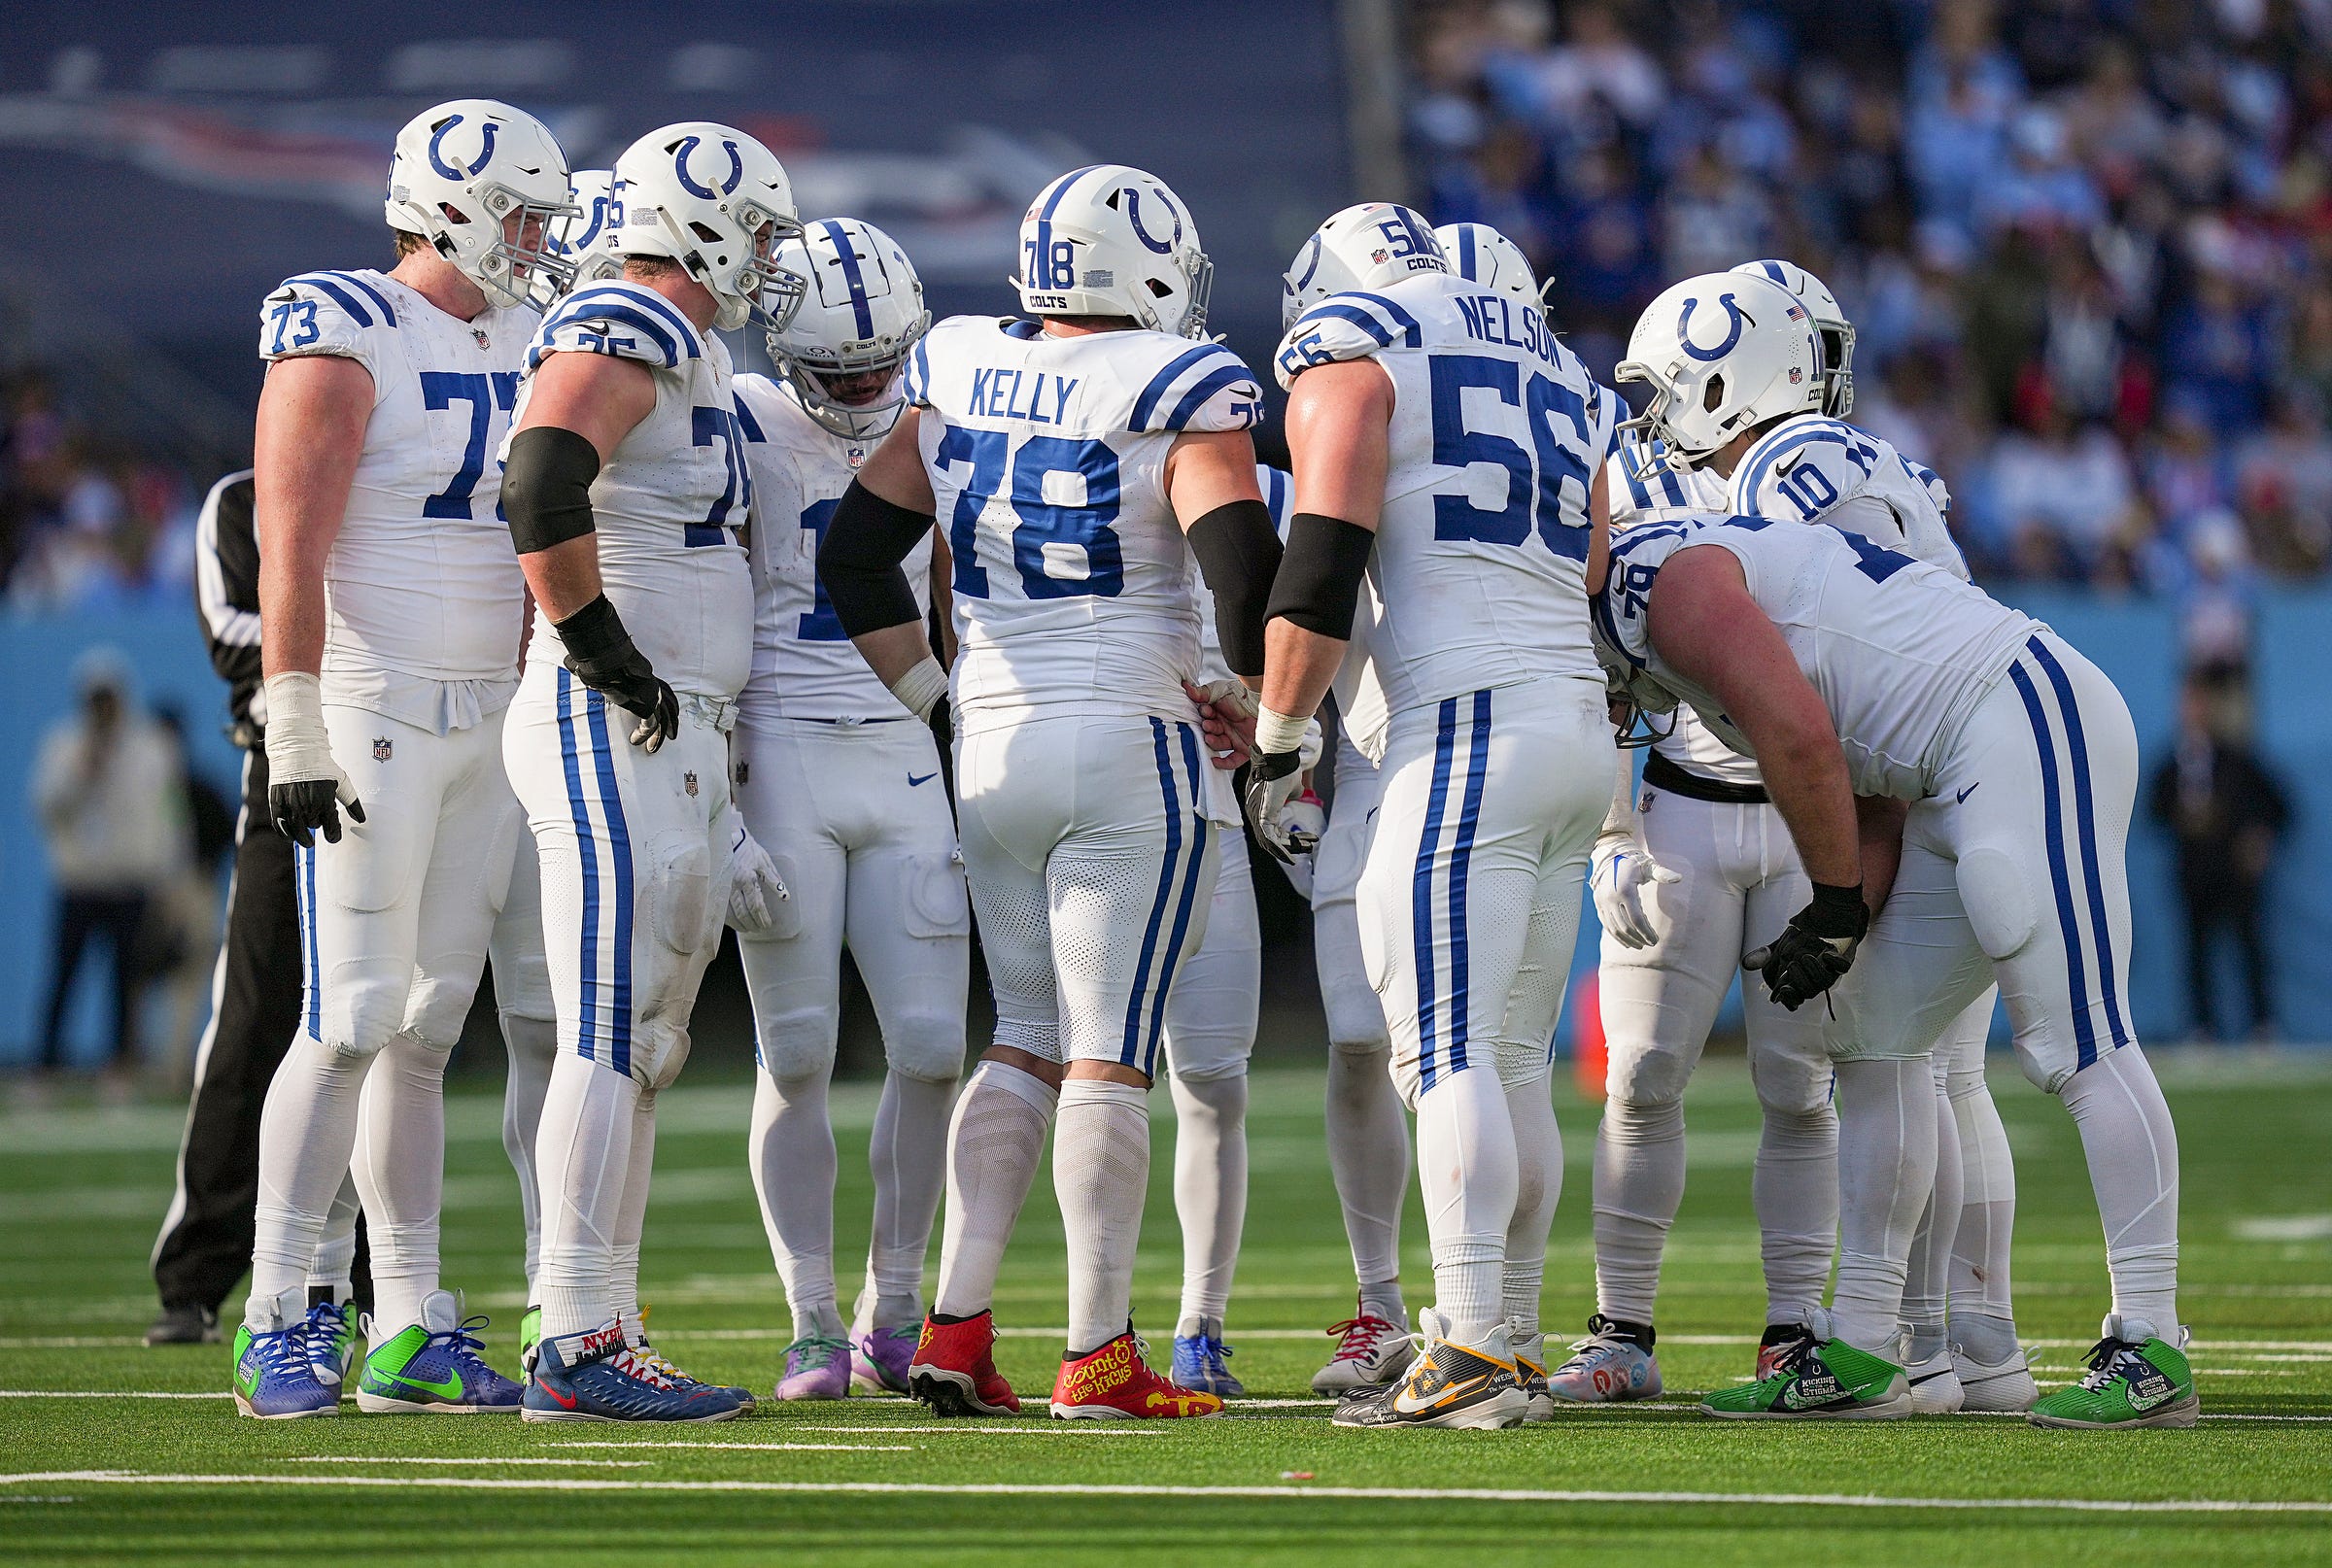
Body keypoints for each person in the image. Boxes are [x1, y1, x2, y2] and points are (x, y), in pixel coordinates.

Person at [817, 162, 1279, 1419]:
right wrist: (1252, 696)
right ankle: (1097, 1350)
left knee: (1021, 1037)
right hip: (1127, 733)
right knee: (1111, 1056)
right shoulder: (1179, 386)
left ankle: (956, 1324)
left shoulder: (958, 360)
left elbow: (856, 558)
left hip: (995, 742)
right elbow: (1243, 571)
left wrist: (941, 703)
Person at [1592, 512, 2191, 1429]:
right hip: (1943, 766)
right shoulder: (1704, 590)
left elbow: (1803, 741)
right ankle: (1870, 1346)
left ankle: (2152, 1341)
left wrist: (1832, 906)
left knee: (2079, 1041)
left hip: (2022, 719)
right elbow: (1866, 774)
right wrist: (1847, 915)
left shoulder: (1674, 586)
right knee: (1869, 1030)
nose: (1611, 699)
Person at [1565, 263, 2031, 1415]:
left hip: (1810, 813)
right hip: (1681, 797)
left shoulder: (1829, 474)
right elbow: (1596, 672)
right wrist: (1610, 823)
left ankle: (1801, 1326)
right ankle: (1621, 1324)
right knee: (1644, 1073)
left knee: (1804, 1081)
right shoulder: (1631, 479)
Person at [1247, 202, 1618, 1430]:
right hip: (1572, 720)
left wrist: (1283, 735)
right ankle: (1507, 1338)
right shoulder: (1555, 363)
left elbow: (1325, 556)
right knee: (1510, 1058)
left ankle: (1463, 1346)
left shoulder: (1351, 347)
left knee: (1447, 1052)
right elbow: (1595, 565)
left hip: (1461, 724)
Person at [231, 99, 571, 1420]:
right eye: (526, 215)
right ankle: (273, 1311)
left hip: (491, 706)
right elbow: (291, 537)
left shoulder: (526, 329)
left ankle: (407, 1321)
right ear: (456, 206)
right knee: (354, 1009)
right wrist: (292, 713)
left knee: (429, 1027)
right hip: (371, 702)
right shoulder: (342, 318)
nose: (542, 240)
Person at [499, 120, 801, 1423]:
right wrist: (607, 654)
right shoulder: (632, 318)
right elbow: (542, 476)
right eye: (765, 229)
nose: (773, 255)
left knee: (653, 1038)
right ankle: (573, 1335)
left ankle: (605, 1321)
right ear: (708, 220)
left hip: (663, 729)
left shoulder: (684, 344)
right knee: (613, 1027)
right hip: (610, 718)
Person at [729, 218, 970, 1403]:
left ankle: (897, 1298)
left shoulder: (947, 412)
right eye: (843, 372)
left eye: (885, 366)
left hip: (904, 745)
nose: (869, 391)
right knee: (799, 1049)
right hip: (780, 749)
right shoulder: (736, 415)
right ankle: (811, 1318)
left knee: (932, 1046)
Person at [148, 472, 372, 1347]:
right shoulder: (239, 501)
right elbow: (232, 632)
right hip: (286, 769)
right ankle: (197, 1270)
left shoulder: (393, 467)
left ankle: (372, 1277)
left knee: (388, 1021)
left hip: (405, 762)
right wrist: (358, 643)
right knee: (251, 1022)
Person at [32, 649, 181, 1082]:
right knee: (63, 978)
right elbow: (45, 805)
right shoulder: (63, 745)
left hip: (129, 882)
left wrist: (167, 874)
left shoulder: (151, 746)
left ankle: (121, 1065)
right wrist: (82, 769)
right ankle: (46, 1063)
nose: (102, 708)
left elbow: (169, 815)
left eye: (109, 698)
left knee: (126, 983)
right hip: (79, 882)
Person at [2148, 677, 2291, 1040]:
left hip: (2236, 875)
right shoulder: (2170, 765)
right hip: (2193, 874)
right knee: (2196, 954)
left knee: (2250, 950)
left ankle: (2262, 1027)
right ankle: (2203, 1030)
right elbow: (2153, 812)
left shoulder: (2237, 759)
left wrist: (2259, 839)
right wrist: (2185, 817)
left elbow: (2280, 807)